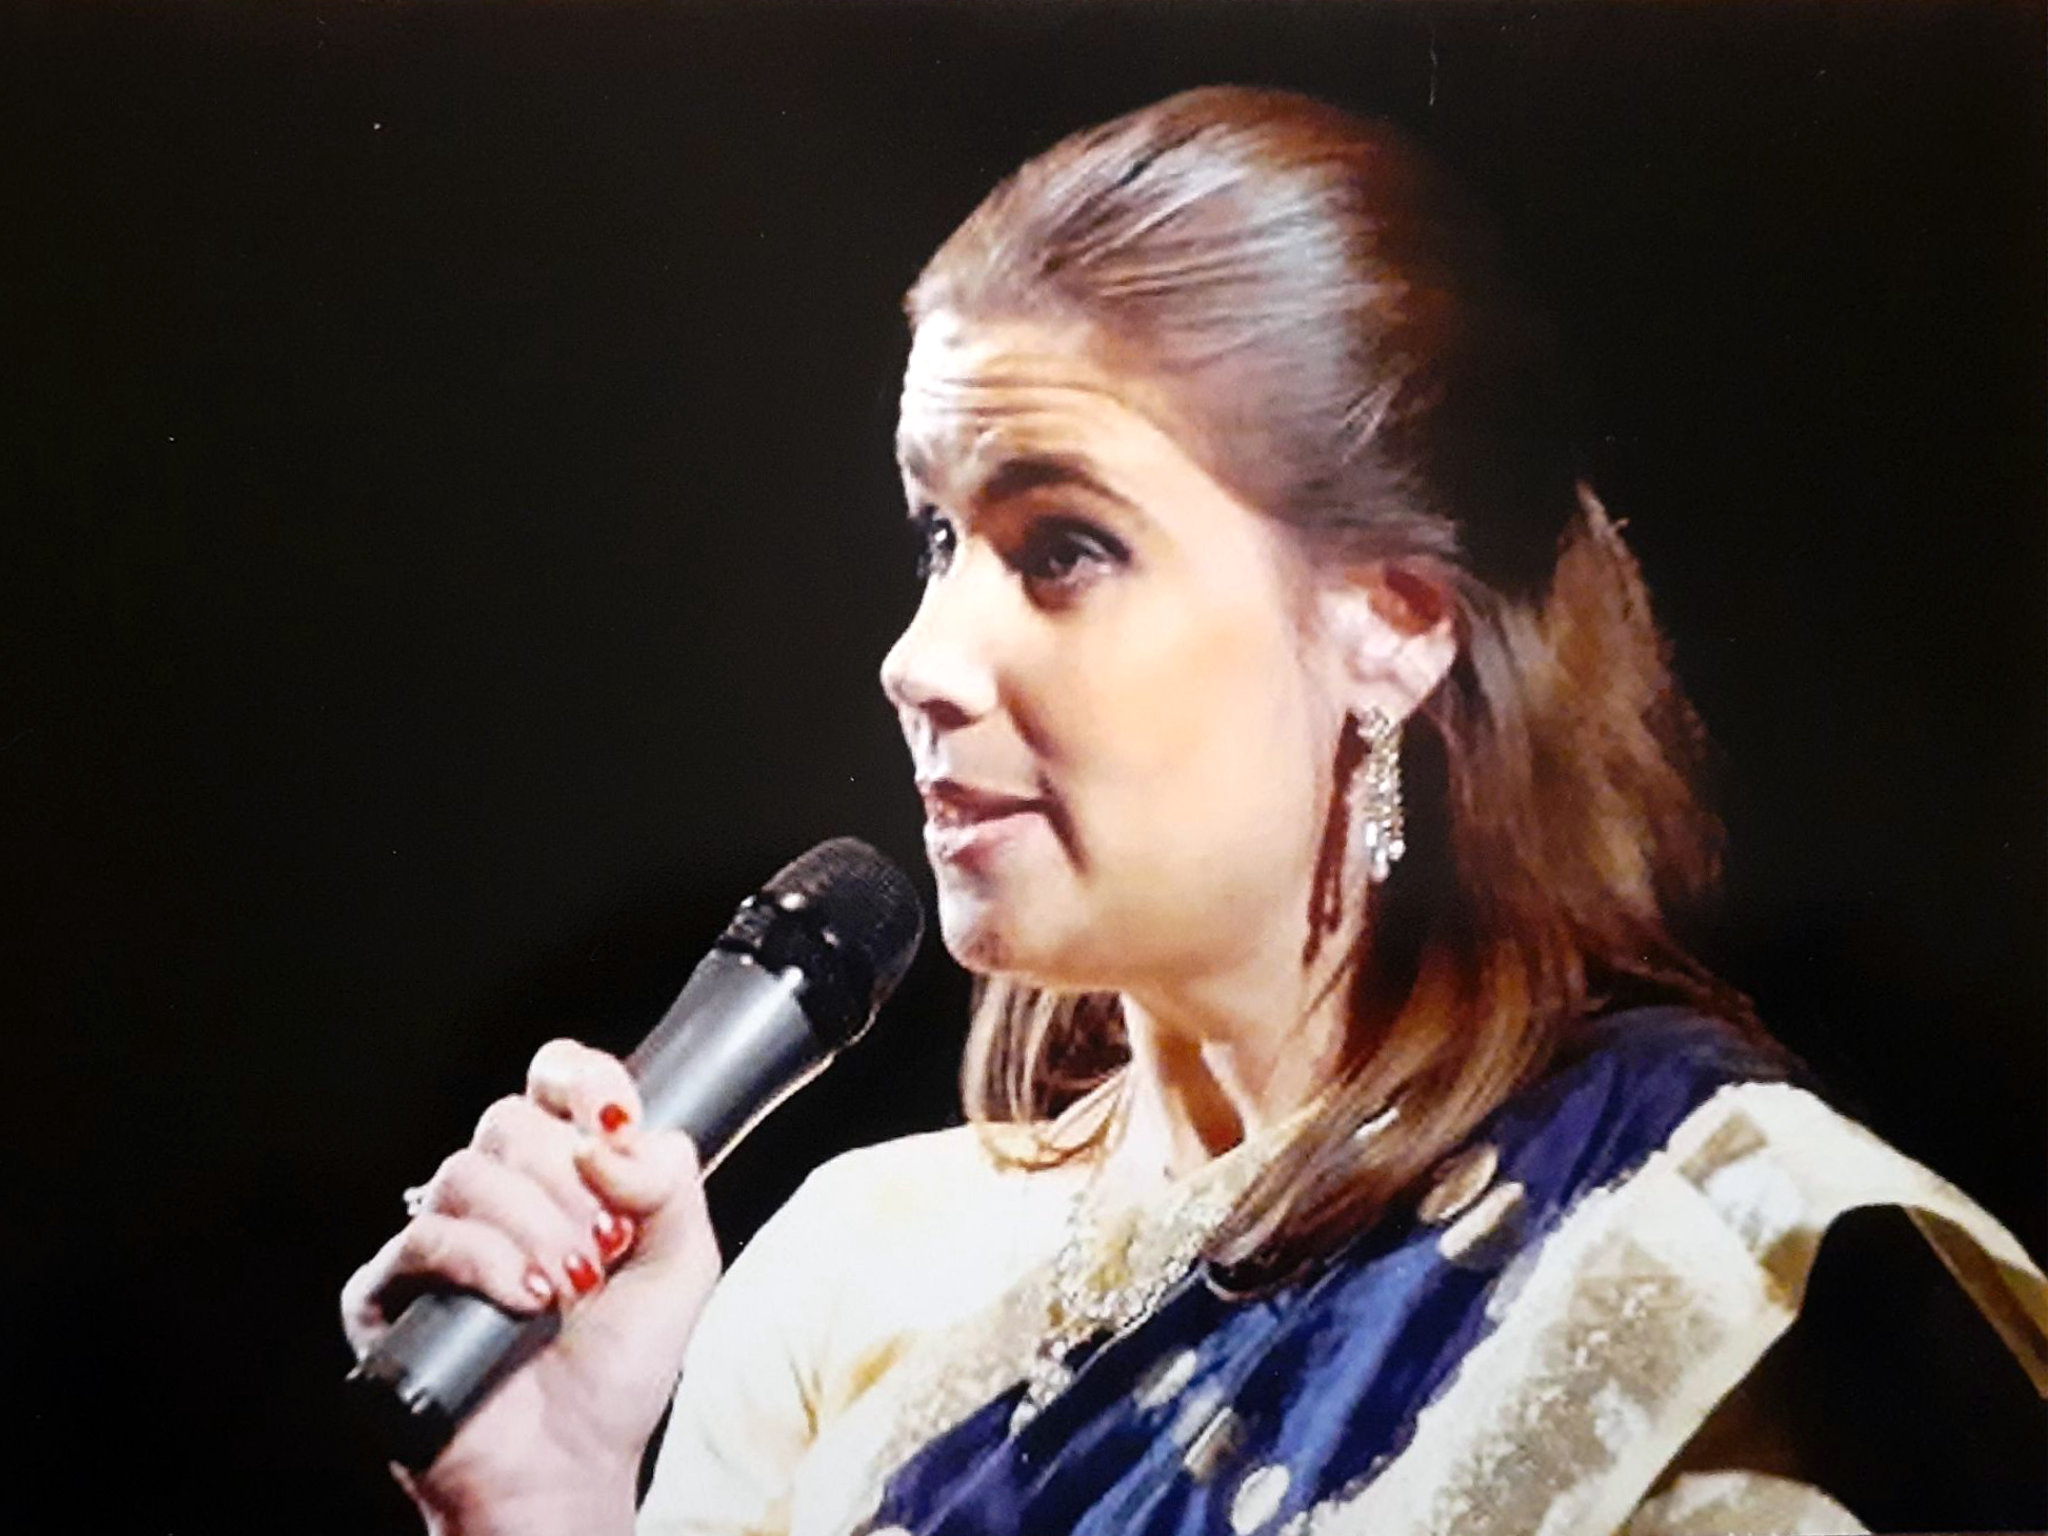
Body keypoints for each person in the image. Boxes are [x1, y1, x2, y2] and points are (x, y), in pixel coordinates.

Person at [342, 86, 2046, 1536]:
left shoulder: (1678, 1263)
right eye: (937, 540)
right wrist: (555, 1499)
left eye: (1063, 548)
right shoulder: (849, 1279)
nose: (918, 661)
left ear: (1391, 625)